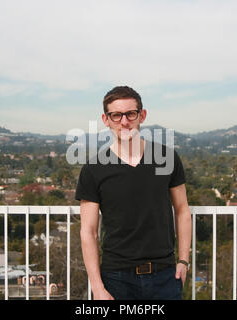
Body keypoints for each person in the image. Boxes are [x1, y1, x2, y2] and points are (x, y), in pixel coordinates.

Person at [75, 85, 192, 300]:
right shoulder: (93, 169)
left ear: (142, 115)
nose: (124, 121)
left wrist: (183, 261)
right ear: (106, 119)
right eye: (116, 115)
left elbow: (182, 210)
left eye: (130, 113)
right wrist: (98, 287)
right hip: (116, 278)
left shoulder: (166, 158)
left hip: (165, 275)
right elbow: (88, 232)